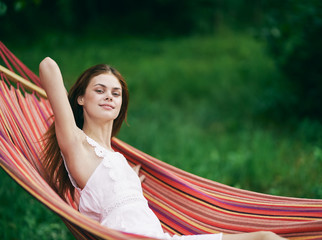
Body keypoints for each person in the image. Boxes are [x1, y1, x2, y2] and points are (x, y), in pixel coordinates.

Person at [39, 57, 286, 240]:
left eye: (116, 93)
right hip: (128, 237)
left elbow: (110, 190)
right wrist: (67, 107)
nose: (109, 97)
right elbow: (48, 66)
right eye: (99, 90)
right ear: (81, 98)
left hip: (160, 236)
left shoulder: (118, 160)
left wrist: (130, 179)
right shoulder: (77, 143)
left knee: (266, 238)